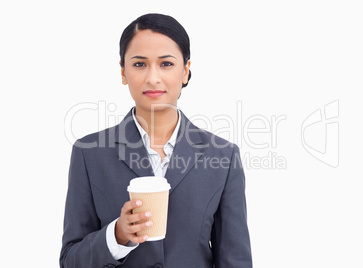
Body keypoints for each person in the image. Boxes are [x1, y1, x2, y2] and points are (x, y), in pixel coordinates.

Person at [60, 13, 252, 268]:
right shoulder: (89, 153)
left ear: (185, 71)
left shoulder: (223, 156)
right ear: (123, 72)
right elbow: (70, 261)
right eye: (139, 64)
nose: (152, 77)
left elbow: (235, 260)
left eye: (166, 64)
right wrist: (116, 236)